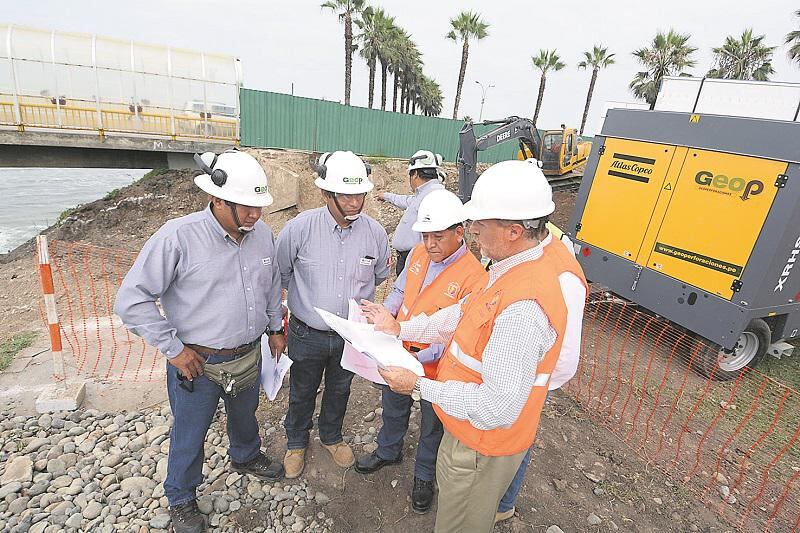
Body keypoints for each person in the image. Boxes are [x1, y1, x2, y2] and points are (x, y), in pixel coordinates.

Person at [361, 159, 588, 533]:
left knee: (460, 523)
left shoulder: (525, 306)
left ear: (515, 230)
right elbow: (460, 314)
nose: (473, 230)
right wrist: (401, 327)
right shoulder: (508, 267)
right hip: (467, 430)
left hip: (483, 445)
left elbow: (497, 406)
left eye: (481, 223)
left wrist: (416, 386)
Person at [115, 150, 286, 533]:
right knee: (190, 431)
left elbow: (272, 284)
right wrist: (174, 350)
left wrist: (275, 328)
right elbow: (131, 300)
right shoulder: (178, 237)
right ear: (217, 199)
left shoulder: (262, 237)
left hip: (247, 354)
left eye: (259, 206)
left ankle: (245, 456)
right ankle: (180, 496)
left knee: (245, 416)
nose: (255, 215)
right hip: (198, 363)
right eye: (246, 207)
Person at [354, 189, 487, 514]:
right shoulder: (417, 255)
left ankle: (424, 477)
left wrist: (417, 358)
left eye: (438, 237)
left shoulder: (476, 277)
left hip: (438, 367)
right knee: (393, 406)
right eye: (425, 235)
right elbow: (400, 291)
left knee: (432, 424)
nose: (430, 244)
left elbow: (459, 333)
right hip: (399, 351)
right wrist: (383, 317)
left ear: (460, 232)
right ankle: (389, 450)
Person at [276, 150, 391, 479]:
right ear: (327, 194)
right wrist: (277, 325)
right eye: (347, 195)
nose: (355, 202)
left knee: (340, 389)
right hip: (306, 333)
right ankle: (296, 442)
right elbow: (281, 274)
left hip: (350, 335)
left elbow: (379, 275)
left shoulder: (375, 233)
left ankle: (331, 436)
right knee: (301, 390)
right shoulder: (300, 228)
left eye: (360, 194)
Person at [494, 230, 587, 522]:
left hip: (526, 382)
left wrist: (527, 385)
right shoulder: (524, 252)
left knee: (517, 439)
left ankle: (502, 505)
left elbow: (565, 358)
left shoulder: (563, 277)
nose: (474, 229)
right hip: (505, 375)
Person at [378, 150, 445, 276]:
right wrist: (386, 196)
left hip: (417, 260)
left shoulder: (432, 196)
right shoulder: (425, 194)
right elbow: (407, 201)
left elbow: (431, 236)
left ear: (414, 174)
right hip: (411, 258)